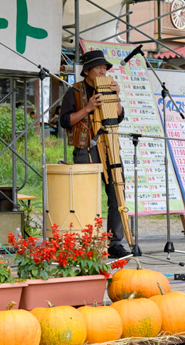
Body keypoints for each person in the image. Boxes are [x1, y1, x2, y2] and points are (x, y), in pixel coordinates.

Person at [59, 50, 130, 258]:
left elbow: (119, 117)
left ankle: (114, 242)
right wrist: (88, 108)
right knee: (86, 197)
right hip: (86, 148)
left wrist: (116, 97)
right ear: (87, 70)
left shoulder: (108, 87)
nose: (103, 71)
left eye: (105, 68)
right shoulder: (74, 91)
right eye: (98, 67)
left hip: (110, 146)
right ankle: (87, 240)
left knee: (117, 193)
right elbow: (65, 121)